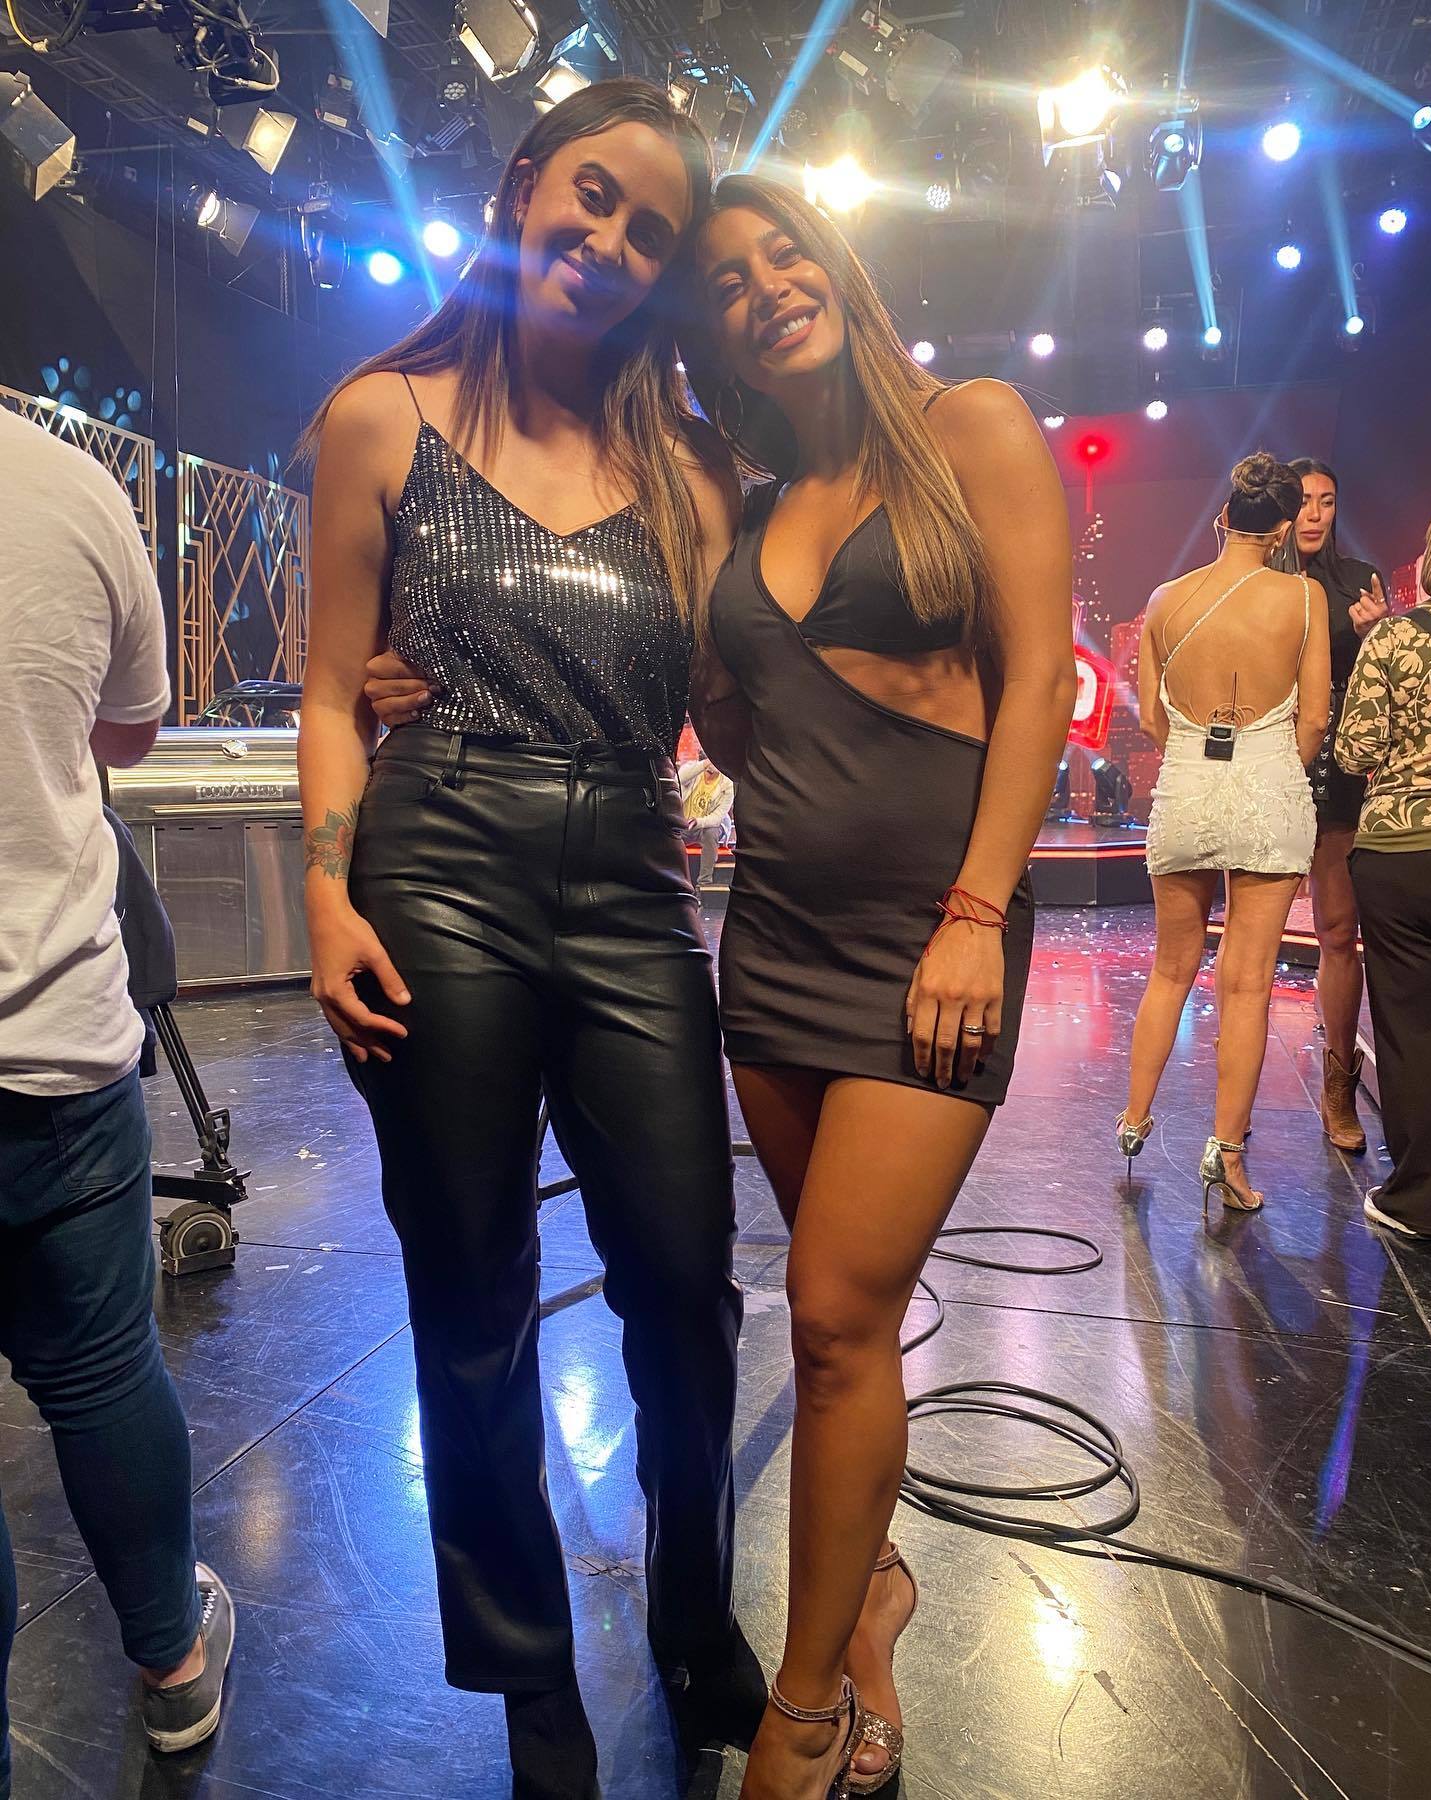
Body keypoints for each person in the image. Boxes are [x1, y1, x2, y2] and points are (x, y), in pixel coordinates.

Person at [297, 81, 753, 1798]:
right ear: (522, 188)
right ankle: (527, 1675)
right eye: (594, 194)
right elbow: (331, 695)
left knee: (688, 1293)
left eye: (652, 229)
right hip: (440, 864)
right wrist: (325, 893)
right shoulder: (380, 417)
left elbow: (733, 704)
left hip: (634, 876)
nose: (612, 240)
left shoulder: (690, 472)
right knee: (471, 1290)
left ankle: (694, 1614)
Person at [683, 175, 1074, 1800]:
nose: (765, 285)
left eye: (784, 253)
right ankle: (874, 1594)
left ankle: (800, 1710)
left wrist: (977, 907)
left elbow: (1037, 679)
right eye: (725, 280)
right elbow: (734, 722)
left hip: (934, 940)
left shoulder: (967, 427)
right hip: (774, 939)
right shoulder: (752, 499)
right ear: (712, 334)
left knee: (838, 1311)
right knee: (841, 1333)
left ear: (835, 266)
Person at [0, 406, 234, 1799]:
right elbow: (129, 732)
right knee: (100, 1374)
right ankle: (172, 1667)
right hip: (52, 1033)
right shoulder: (70, 487)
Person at [1119, 453, 1330, 1212]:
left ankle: (1133, 1122)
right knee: (1247, 984)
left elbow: (1151, 717)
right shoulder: (1303, 597)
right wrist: (1267, 765)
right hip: (1268, 787)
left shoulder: (1164, 599)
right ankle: (1227, 1159)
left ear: (1224, 518)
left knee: (1170, 968)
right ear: (1283, 529)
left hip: (1187, 788)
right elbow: (1313, 719)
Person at [1335, 508, 1431, 1238]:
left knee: (1412, 1028)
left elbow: (1354, 750)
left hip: (1403, 855)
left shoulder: (1396, 638)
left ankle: (1420, 1199)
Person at [1284, 459, 1389, 1151]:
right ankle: (1231, 1109)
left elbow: (1386, 682)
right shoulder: (1263, 584)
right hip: (1271, 762)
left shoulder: (1359, 581)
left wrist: (1376, 634)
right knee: (1251, 939)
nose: (1315, 514)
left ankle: (1338, 1085)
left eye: (1327, 501)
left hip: (1341, 773)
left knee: (1337, 930)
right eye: (1303, 501)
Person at [679, 752, 735, 888]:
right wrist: (705, 764)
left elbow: (717, 818)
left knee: (711, 831)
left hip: (707, 826)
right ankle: (674, 882)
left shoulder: (727, 784)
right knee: (667, 834)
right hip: (684, 825)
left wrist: (698, 822)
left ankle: (704, 884)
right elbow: (679, 779)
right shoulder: (693, 771)